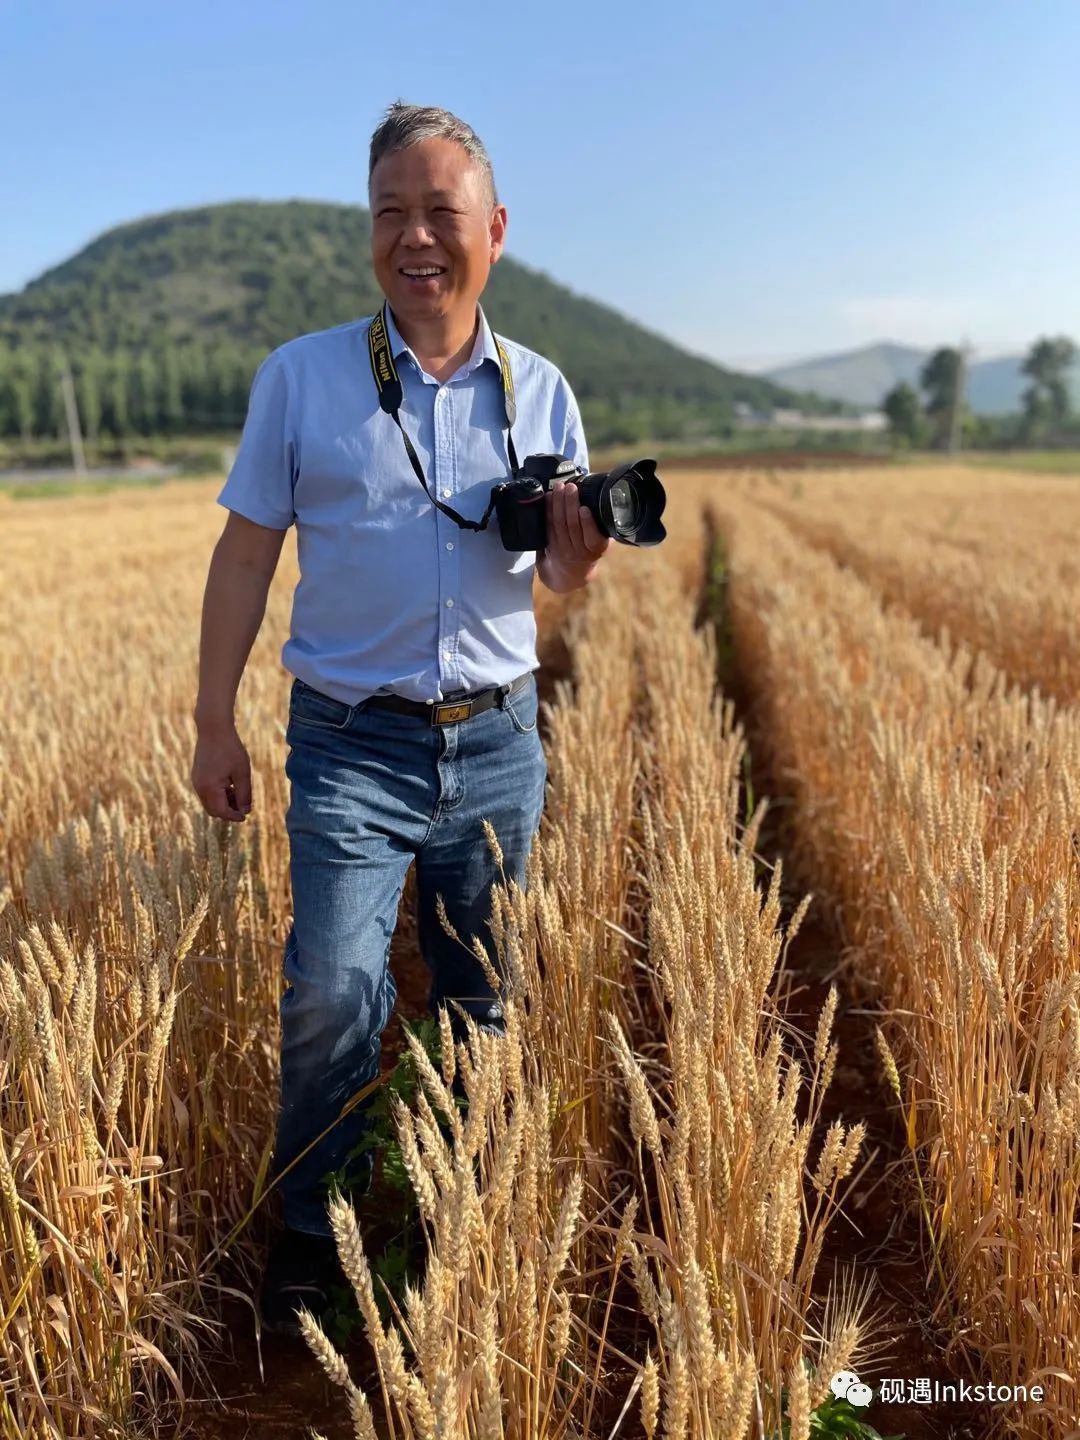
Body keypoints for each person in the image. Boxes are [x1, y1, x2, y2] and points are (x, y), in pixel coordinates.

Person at [190, 101, 609, 1335]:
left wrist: (579, 558)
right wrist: (213, 724)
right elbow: (241, 558)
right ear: (369, 230)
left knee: (486, 993)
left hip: (494, 738)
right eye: (391, 214)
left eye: (441, 212)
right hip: (348, 742)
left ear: (495, 229)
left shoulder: (543, 393)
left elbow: (560, 582)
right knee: (332, 989)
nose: (414, 237)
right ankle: (311, 1237)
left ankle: (461, 1214)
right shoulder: (303, 378)